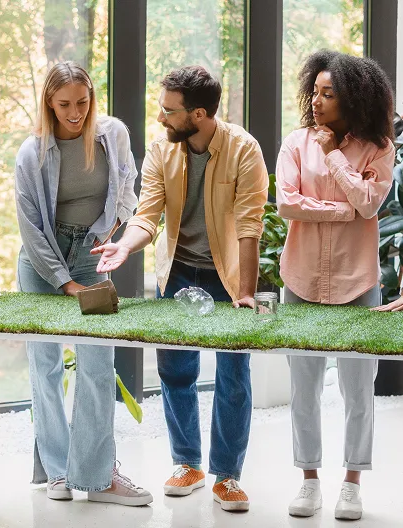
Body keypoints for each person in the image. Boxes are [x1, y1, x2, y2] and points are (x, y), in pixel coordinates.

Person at [92, 65, 268, 512]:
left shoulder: (244, 150)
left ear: (201, 114)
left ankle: (227, 476)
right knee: (175, 371)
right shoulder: (161, 149)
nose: (160, 118)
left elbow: (250, 226)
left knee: (233, 376)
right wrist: (123, 247)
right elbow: (147, 213)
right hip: (177, 273)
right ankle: (186, 462)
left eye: (169, 111)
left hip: (227, 276)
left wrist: (246, 292)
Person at [14, 61, 151, 506]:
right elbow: (31, 228)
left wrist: (111, 228)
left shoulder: (113, 134)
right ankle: (57, 471)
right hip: (42, 262)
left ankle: (97, 476)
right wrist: (63, 282)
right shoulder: (32, 153)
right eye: (64, 105)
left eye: (82, 102)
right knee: (46, 366)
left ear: (93, 98)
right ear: (49, 105)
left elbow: (128, 185)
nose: (75, 112)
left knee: (96, 364)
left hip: (92, 255)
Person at [277, 50, 394, 521]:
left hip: (358, 283)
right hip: (301, 279)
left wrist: (333, 159)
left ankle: (351, 483)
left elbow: (369, 204)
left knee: (357, 390)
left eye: (329, 93)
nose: (318, 100)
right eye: (316, 91)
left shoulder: (378, 148)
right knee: (303, 390)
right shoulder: (295, 142)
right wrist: (343, 208)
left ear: (354, 99)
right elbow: (287, 204)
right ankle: (308, 480)